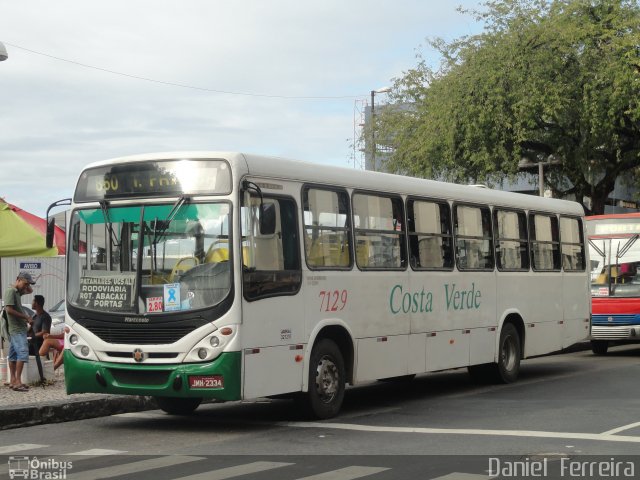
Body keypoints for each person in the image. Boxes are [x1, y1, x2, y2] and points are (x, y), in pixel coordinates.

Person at [2, 271, 36, 392]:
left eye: (27, 284)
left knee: (13, 356)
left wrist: (30, 283)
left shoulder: (17, 292)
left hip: (18, 329)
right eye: (25, 283)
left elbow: (30, 291)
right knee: (22, 352)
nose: (26, 287)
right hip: (16, 329)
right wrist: (26, 317)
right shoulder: (11, 291)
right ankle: (18, 381)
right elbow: (9, 310)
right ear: (18, 279)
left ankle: (12, 381)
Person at [31, 295, 52, 383]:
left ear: (37, 303)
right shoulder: (34, 316)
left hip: (39, 344)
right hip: (32, 342)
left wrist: (33, 336)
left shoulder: (45, 317)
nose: (32, 303)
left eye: (33, 301)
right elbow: (31, 329)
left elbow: (45, 332)